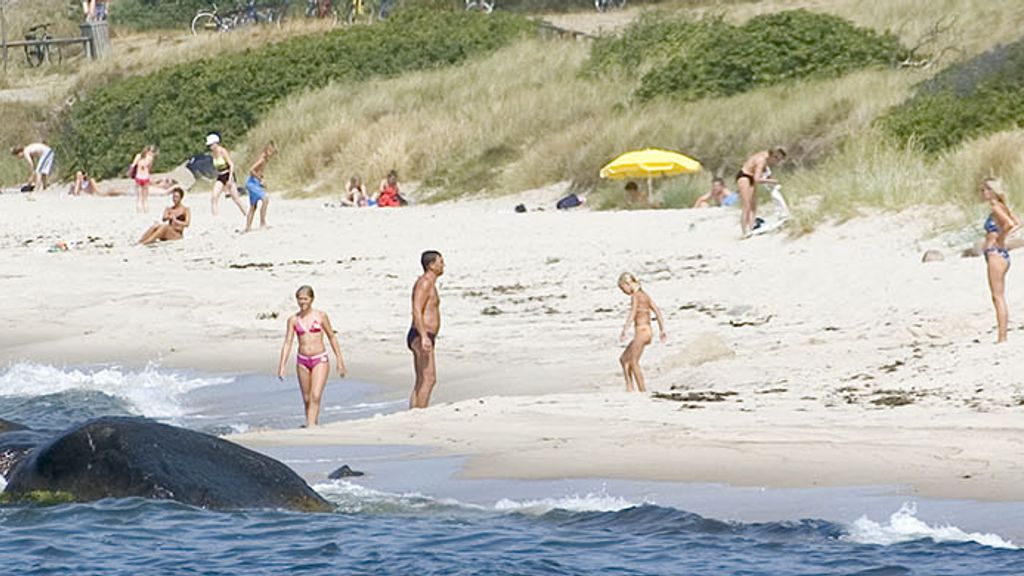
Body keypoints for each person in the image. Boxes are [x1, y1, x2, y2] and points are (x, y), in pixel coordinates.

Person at [277, 285, 347, 427]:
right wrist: (282, 365)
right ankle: (313, 422)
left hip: (319, 359)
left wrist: (339, 360)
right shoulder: (293, 320)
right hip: (302, 360)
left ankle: (310, 427)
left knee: (315, 395)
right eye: (300, 299)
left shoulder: (321, 316)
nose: (302, 302)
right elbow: (288, 342)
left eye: (305, 299)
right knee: (307, 398)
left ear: (312, 299)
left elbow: (332, 337)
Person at [980, 178, 1021, 343]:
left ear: (991, 191)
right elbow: (1017, 223)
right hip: (999, 253)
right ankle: (1002, 335)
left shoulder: (996, 207)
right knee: (998, 296)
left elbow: (1010, 224)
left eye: (983, 190)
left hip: (996, 253)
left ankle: (1002, 337)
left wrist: (1000, 239)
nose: (982, 194)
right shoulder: (1002, 206)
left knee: (997, 297)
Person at [617, 272, 666, 393]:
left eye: (624, 289)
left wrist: (625, 329)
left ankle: (642, 391)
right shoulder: (645, 295)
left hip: (641, 331)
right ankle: (629, 387)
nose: (624, 293)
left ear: (627, 284)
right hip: (648, 332)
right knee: (624, 359)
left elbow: (633, 312)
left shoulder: (636, 296)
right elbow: (657, 311)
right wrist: (661, 329)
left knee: (634, 362)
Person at [408, 250, 444, 409]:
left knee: (422, 379)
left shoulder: (430, 283)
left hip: (425, 334)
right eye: (440, 262)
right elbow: (416, 309)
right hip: (421, 334)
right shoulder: (424, 283)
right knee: (429, 378)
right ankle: (419, 412)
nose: (443, 265)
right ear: (431, 265)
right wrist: (423, 336)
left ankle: (414, 411)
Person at [736, 147, 786, 236]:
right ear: (773, 156)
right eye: (777, 159)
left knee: (753, 206)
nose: (777, 162)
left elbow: (764, 171)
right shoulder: (761, 160)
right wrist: (772, 181)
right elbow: (757, 179)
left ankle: (751, 229)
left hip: (751, 177)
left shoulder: (766, 157)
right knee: (746, 206)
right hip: (744, 177)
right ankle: (744, 231)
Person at [206, 133, 247, 217]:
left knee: (236, 198)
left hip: (228, 174)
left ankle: (246, 214)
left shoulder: (222, 151)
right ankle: (215, 217)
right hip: (220, 176)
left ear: (215, 143)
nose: (210, 147)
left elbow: (231, 164)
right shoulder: (213, 154)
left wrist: (230, 178)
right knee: (214, 197)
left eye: (211, 145)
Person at [245, 142, 277, 232]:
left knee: (253, 206)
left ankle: (248, 227)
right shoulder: (262, 159)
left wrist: (261, 178)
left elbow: (258, 171)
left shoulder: (264, 159)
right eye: (271, 153)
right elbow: (251, 170)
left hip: (253, 182)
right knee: (265, 199)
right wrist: (260, 180)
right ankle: (262, 223)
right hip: (252, 183)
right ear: (267, 151)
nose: (272, 156)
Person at [131, 145, 157, 213]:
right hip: (145, 177)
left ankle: (139, 211)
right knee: (145, 198)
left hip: (138, 177)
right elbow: (149, 168)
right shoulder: (150, 158)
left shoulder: (138, 156)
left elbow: (133, 165)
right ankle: (146, 211)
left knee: (139, 197)